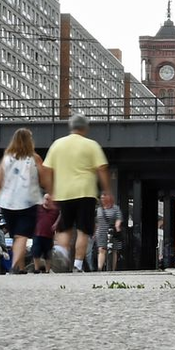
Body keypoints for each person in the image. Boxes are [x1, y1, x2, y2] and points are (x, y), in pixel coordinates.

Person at [43, 114, 111, 272]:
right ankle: (77, 265)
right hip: (85, 192)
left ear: (70, 127)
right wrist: (107, 191)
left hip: (64, 192)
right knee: (83, 230)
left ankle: (62, 253)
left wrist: (50, 191)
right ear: (85, 128)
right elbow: (102, 169)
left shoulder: (57, 145)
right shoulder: (91, 145)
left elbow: (46, 169)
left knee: (64, 228)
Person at [0, 128, 50, 274]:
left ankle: (21, 267)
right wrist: (51, 191)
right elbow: (45, 179)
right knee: (21, 236)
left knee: (16, 235)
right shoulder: (35, 158)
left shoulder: (6, 158)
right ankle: (15, 266)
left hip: (7, 204)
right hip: (28, 202)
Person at [94, 191, 123, 272]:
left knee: (114, 250)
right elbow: (96, 221)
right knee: (101, 249)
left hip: (112, 231)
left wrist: (117, 226)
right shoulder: (99, 209)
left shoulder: (115, 208)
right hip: (101, 232)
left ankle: (113, 269)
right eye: (102, 197)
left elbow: (119, 218)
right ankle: (99, 268)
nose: (103, 199)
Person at [32, 195, 60, 273]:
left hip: (49, 235)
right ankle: (36, 269)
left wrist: (56, 224)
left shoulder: (55, 210)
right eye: (46, 199)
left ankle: (47, 270)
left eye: (49, 200)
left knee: (48, 253)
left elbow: (61, 215)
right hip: (37, 233)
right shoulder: (38, 208)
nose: (47, 201)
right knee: (36, 252)